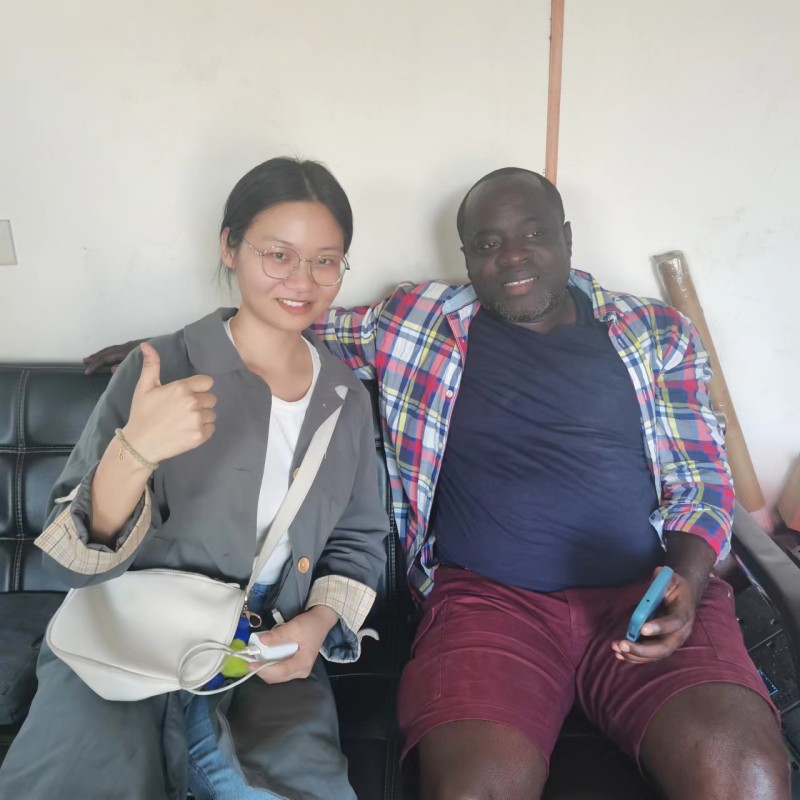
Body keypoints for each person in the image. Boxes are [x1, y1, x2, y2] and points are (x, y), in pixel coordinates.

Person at [81, 167, 790, 799]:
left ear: (568, 238)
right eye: (488, 243)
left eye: (534, 234)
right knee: (476, 787)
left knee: (744, 774)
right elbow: (288, 320)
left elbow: (702, 478)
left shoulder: (655, 333)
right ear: (467, 258)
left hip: (643, 595)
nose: (512, 256)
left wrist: (686, 581)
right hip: (488, 603)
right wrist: (169, 352)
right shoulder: (419, 321)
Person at [0, 157, 389, 800]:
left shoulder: (345, 399)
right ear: (229, 247)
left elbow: (358, 538)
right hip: (121, 637)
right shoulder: (160, 368)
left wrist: (319, 621)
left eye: (325, 260)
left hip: (265, 654)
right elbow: (69, 561)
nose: (303, 280)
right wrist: (135, 453)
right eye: (278, 254)